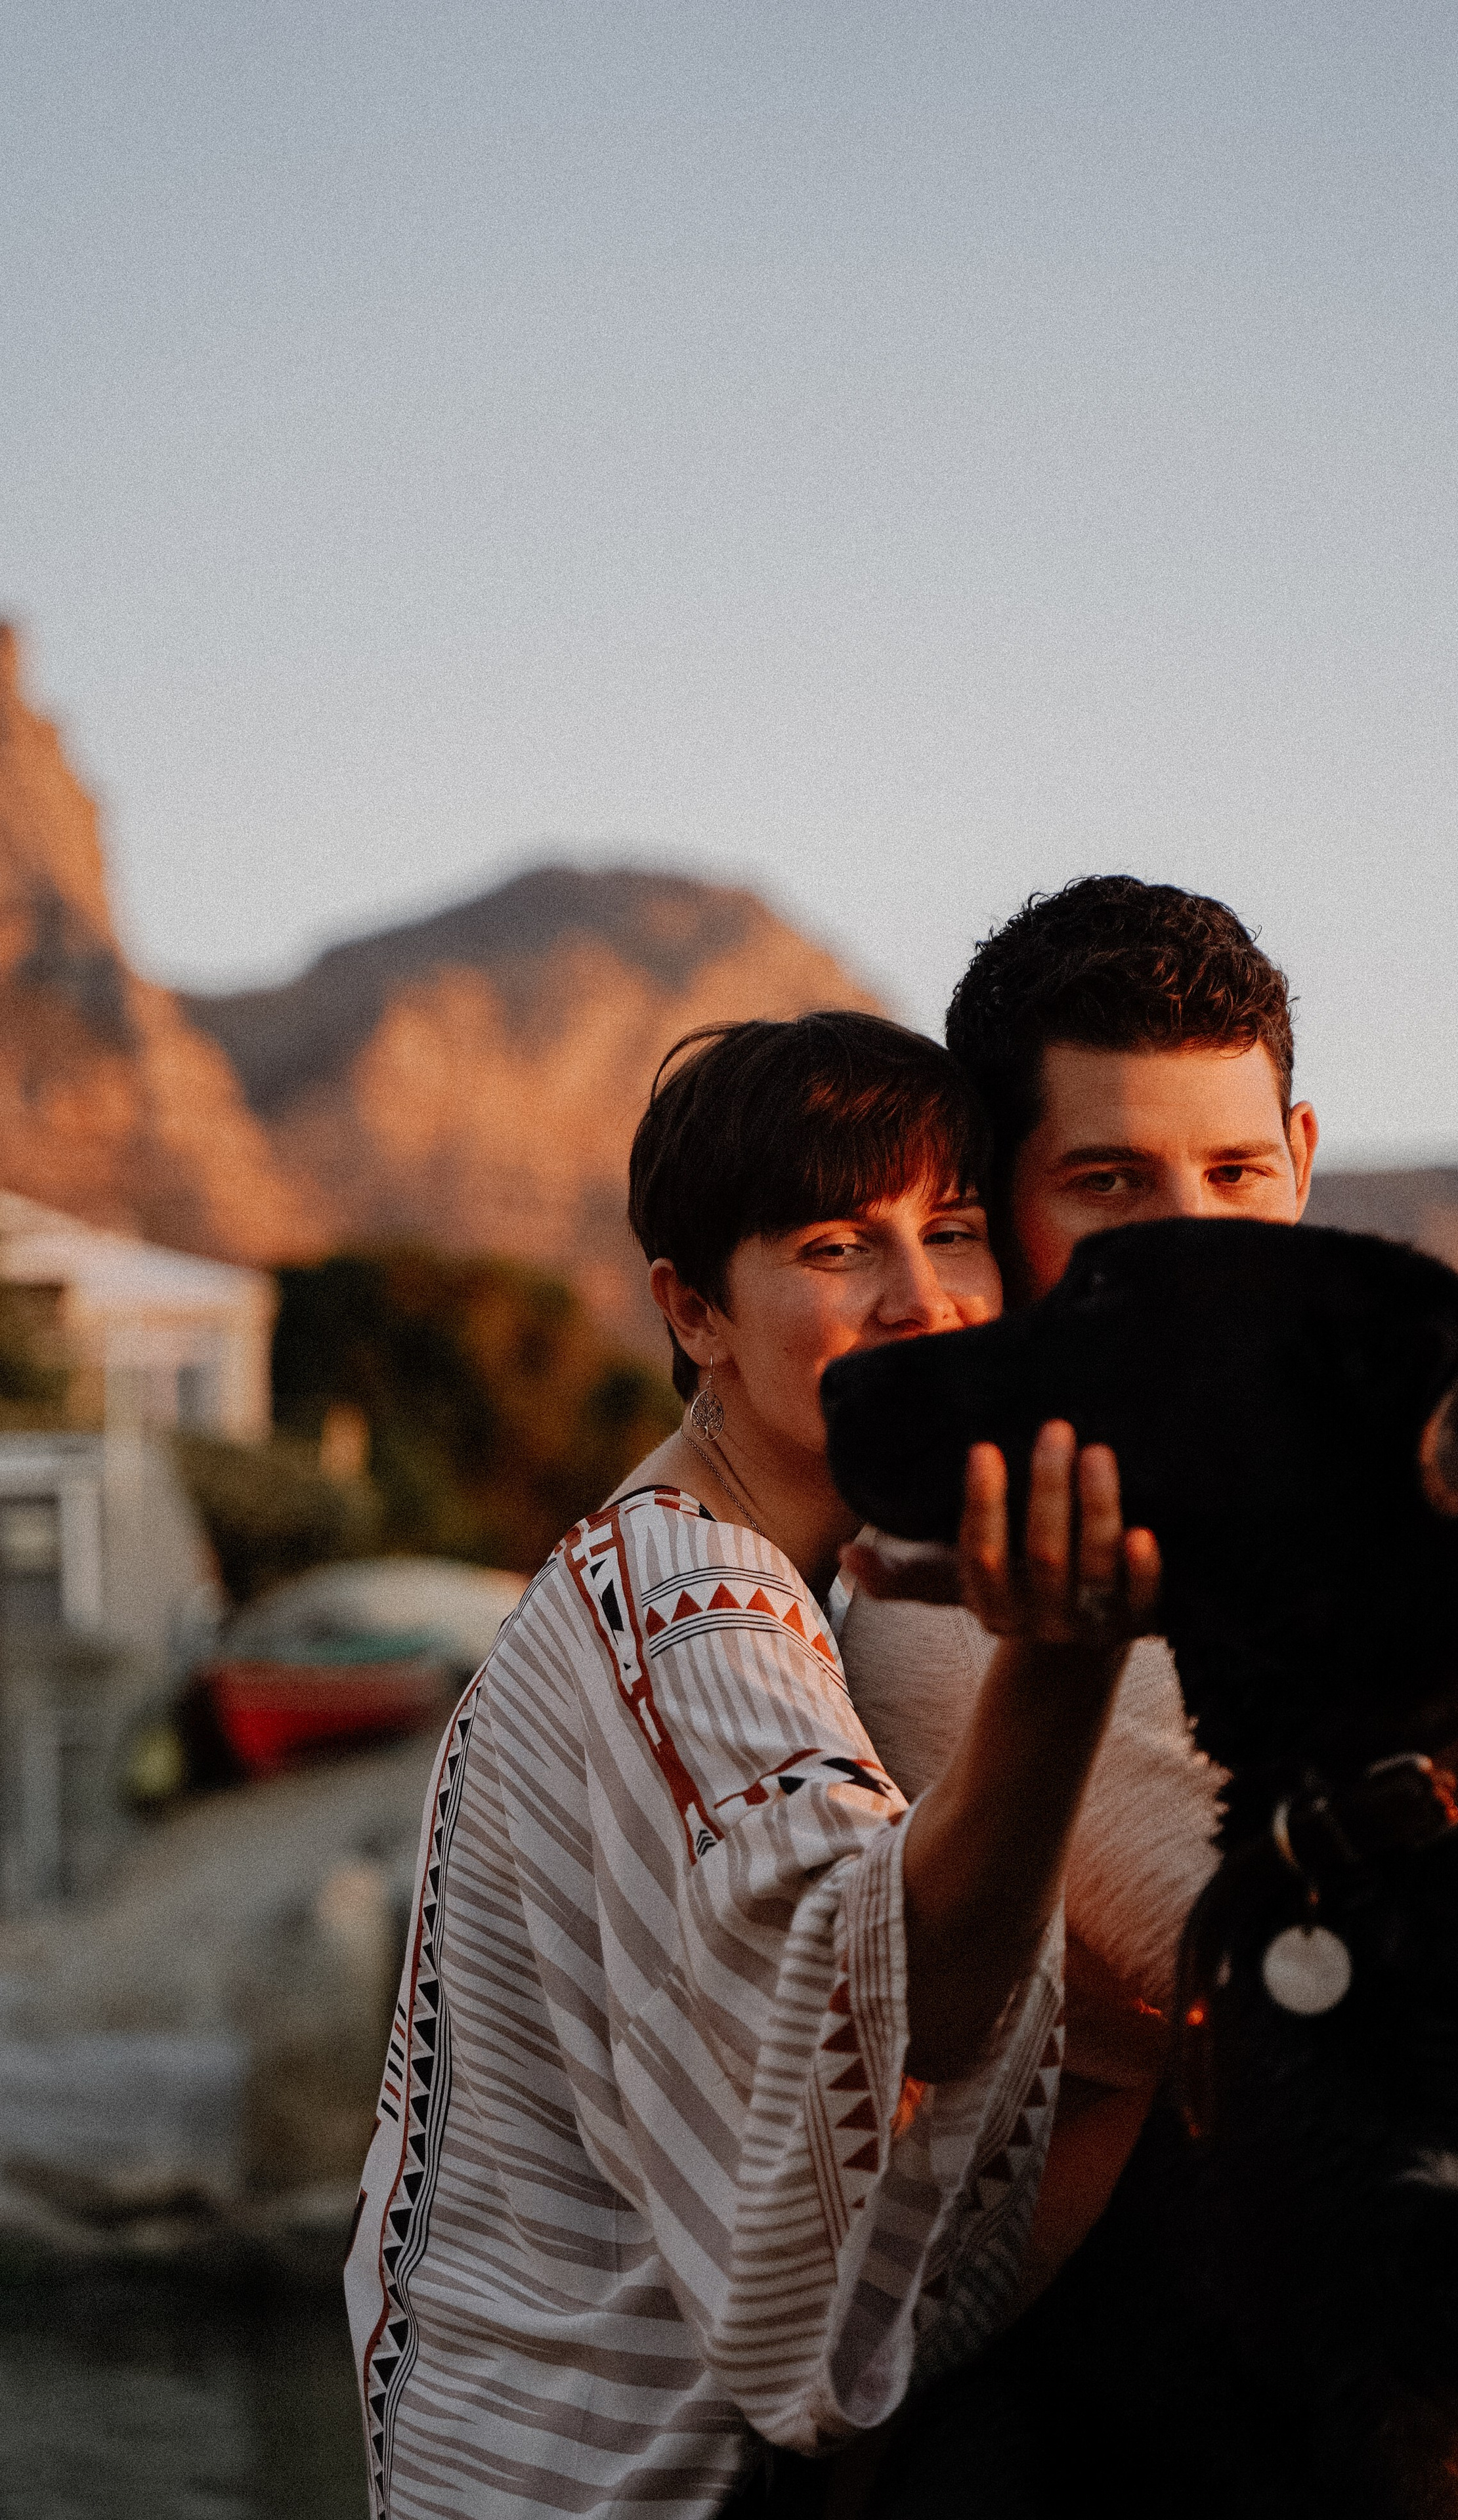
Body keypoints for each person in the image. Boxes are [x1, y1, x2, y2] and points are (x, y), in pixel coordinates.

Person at [345, 1010, 1161, 2520]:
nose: (923, 1301)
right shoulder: (687, 1615)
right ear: (694, 1311)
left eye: (956, 1231)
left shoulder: (718, 1569)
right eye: (837, 1247)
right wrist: (1063, 1665)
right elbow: (884, 1990)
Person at [840, 875, 1318, 2284]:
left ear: (1300, 1158)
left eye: (1234, 1172)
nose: (1195, 1250)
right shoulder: (965, 1615)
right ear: (996, 1205)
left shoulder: (1303, 1502)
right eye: (1109, 1183)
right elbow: (1388, 1995)